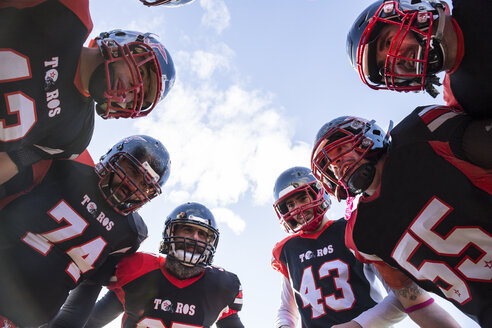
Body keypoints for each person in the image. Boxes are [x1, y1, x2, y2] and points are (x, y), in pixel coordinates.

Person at [310, 109, 492, 326]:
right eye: (331, 164)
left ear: (366, 136)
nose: (339, 164)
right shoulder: (361, 236)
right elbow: (415, 303)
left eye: (341, 148)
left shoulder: (420, 135)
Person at [0, 0, 175, 190]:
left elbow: (13, 160)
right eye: (140, 74)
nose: (132, 92)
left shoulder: (76, 135)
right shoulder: (70, 11)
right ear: (123, 44)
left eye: (139, 97)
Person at [0, 135, 171, 327]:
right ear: (114, 156)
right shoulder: (67, 163)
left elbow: (89, 288)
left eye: (145, 185)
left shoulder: (129, 233)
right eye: (132, 170)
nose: (134, 185)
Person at [271, 166, 461, 328]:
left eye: (302, 198)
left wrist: (359, 324)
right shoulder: (287, 250)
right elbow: (287, 309)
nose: (296, 208)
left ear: (318, 192)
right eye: (289, 204)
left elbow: (401, 294)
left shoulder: (353, 230)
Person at [53, 202, 244, 328]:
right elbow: (91, 320)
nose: (195, 239)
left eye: (202, 234)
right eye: (188, 230)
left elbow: (231, 321)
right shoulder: (137, 267)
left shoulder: (222, 286)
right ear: (171, 234)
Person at [346, 0, 492, 119]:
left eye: (388, 42)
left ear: (411, 9)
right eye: (386, 66)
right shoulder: (459, 100)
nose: (395, 60)